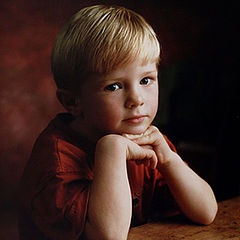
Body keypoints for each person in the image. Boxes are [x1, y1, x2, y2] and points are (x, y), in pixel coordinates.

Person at [18, 5, 218, 240]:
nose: (136, 99)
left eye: (146, 80)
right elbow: (109, 236)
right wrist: (112, 149)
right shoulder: (57, 161)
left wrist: (169, 160)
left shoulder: (147, 141)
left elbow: (206, 212)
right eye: (114, 86)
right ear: (72, 101)